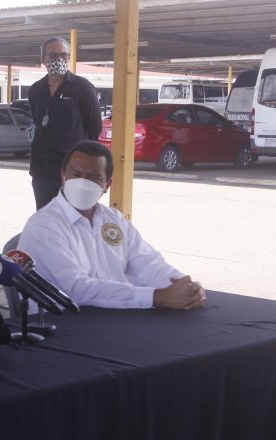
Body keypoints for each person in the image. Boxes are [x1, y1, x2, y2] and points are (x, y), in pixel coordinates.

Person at [20, 140, 206, 310]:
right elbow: (77, 289)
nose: (83, 183)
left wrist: (183, 286)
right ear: (63, 175)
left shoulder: (114, 220)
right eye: (76, 175)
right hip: (66, 327)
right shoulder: (44, 226)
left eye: (93, 178)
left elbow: (148, 263)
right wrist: (158, 296)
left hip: (115, 317)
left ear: (107, 185)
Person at [28, 37, 102, 210]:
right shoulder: (35, 90)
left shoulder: (82, 88)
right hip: (43, 171)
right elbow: (38, 123)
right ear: (43, 59)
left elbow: (95, 128)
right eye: (53, 55)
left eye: (64, 55)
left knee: (74, 218)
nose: (59, 59)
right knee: (46, 217)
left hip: (73, 172)